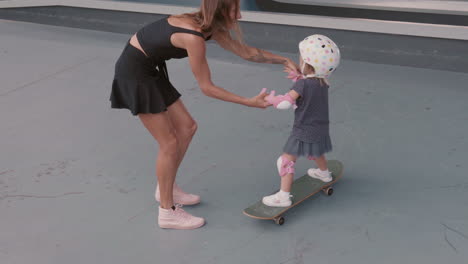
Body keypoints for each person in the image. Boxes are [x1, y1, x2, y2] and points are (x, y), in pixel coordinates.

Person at [109, 0, 299, 229]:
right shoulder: (194, 36)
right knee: (168, 143)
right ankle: (167, 213)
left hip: (149, 69)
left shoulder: (209, 27)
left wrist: (284, 60)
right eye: (234, 10)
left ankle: (165, 189)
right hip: (135, 74)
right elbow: (207, 87)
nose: (239, 15)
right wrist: (247, 102)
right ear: (219, 11)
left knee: (187, 128)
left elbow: (247, 53)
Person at [261, 34, 341, 207]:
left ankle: (283, 196)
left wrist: (271, 99)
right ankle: (324, 173)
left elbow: (284, 103)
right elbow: (308, 85)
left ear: (307, 63)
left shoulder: (302, 85)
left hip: (302, 129)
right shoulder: (323, 83)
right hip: (320, 127)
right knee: (315, 150)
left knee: (285, 161)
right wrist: (299, 76)